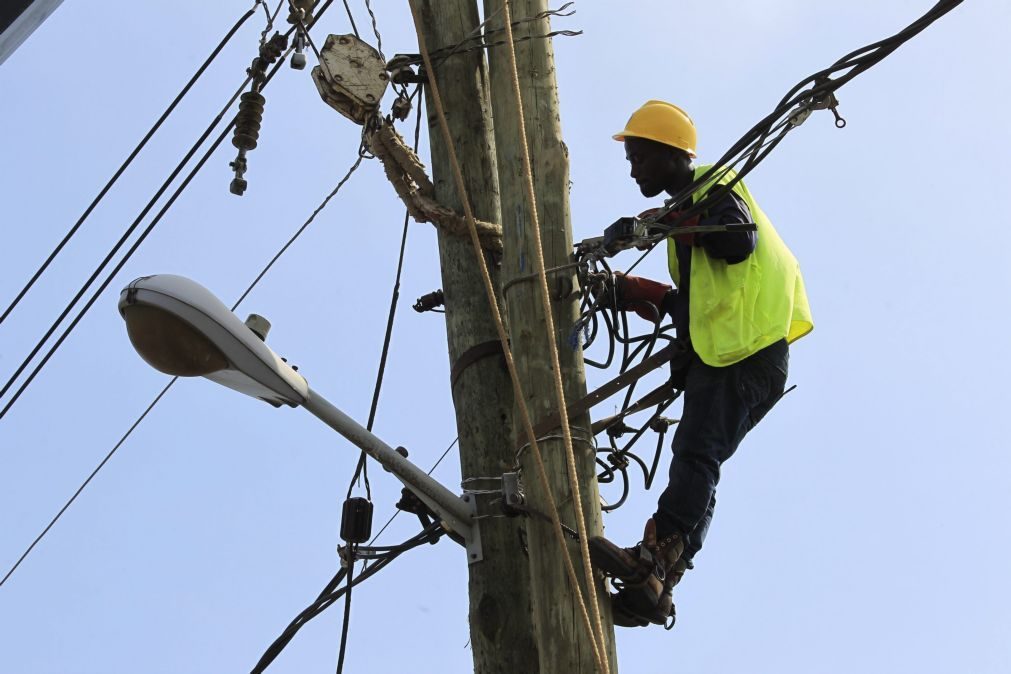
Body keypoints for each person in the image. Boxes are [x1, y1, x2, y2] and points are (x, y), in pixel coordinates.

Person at [588, 100, 814, 628]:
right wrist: (633, 291)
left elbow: (736, 242)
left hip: (747, 348)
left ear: (671, 153)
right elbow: (695, 301)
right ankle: (659, 582)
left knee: (695, 451)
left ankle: (654, 556)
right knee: (704, 457)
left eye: (640, 155)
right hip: (745, 353)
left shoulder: (715, 184)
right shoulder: (692, 211)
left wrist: (661, 222)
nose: (633, 168)